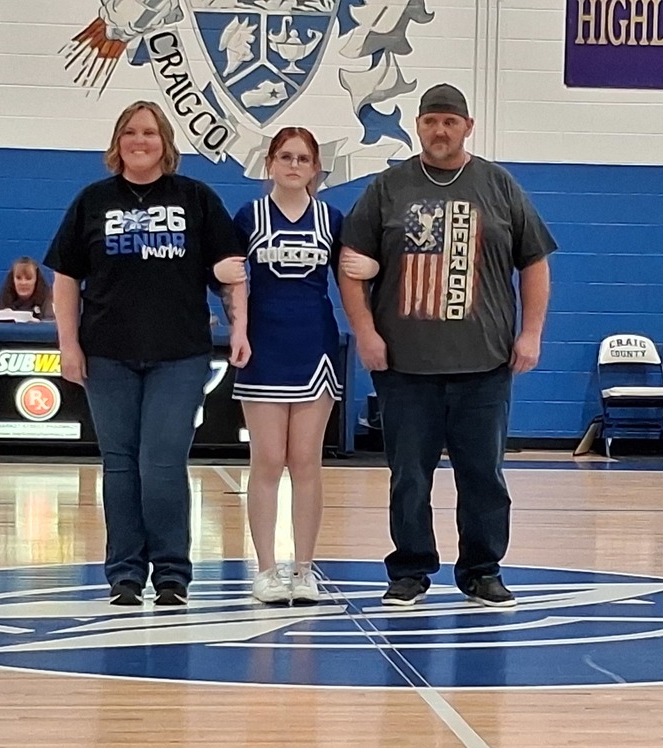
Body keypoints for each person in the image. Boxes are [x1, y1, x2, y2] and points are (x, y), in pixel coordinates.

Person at [337, 83, 557, 608]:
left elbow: (535, 263)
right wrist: (366, 332)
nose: (440, 130)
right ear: (418, 126)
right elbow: (350, 264)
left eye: (450, 122)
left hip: (483, 364)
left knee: (483, 476)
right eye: (431, 121)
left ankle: (482, 569)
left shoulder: (498, 186)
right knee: (408, 476)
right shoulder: (388, 188)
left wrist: (531, 334)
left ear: (468, 127)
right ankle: (410, 570)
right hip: (405, 366)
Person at [44, 100, 249, 608]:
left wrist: (239, 325)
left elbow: (230, 270)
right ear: (118, 143)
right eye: (132, 132)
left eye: (151, 133)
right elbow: (66, 279)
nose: (141, 140)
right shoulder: (93, 201)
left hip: (179, 356)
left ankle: (173, 575)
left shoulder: (196, 198)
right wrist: (68, 345)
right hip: (107, 355)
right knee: (119, 466)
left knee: (161, 463)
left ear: (166, 143)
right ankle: (125, 575)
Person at [216, 127, 343, 606]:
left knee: (306, 462)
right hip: (263, 347)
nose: (293, 165)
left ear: (315, 168)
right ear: (269, 163)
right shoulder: (248, 217)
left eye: (303, 158)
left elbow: (352, 280)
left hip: (316, 348)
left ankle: (305, 570)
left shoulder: (332, 220)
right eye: (285, 156)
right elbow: (232, 281)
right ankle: (267, 569)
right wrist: (238, 330)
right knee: (267, 461)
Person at [0, 257, 53, 321]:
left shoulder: (47, 299)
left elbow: (52, 323)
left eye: (28, 278)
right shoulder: (2, 298)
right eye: (18, 278)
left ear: (36, 281)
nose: (23, 283)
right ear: (13, 280)